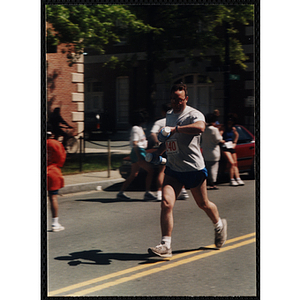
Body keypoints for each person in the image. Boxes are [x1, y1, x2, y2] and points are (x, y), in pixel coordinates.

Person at [148, 83, 227, 258]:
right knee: (166, 203)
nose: (176, 103)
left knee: (203, 204)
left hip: (193, 169)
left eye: (180, 99)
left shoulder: (193, 114)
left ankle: (219, 225)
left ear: (186, 99)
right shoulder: (169, 115)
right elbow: (170, 140)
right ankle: (165, 245)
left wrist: (175, 128)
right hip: (174, 169)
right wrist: (158, 152)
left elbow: (200, 128)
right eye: (173, 100)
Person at [149, 103, 189, 201]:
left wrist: (158, 142)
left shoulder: (160, 122)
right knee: (180, 168)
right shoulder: (176, 120)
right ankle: (183, 190)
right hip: (176, 147)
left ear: (163, 112)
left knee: (162, 170)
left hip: (166, 147)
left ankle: (159, 192)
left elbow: (152, 134)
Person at [117, 109, 157, 201]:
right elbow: (135, 143)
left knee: (133, 174)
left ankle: (121, 192)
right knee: (150, 170)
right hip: (138, 151)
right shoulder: (136, 129)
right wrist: (139, 157)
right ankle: (147, 192)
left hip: (138, 151)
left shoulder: (138, 128)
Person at [47, 124, 67, 232]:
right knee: (53, 197)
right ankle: (55, 223)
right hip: (52, 171)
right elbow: (61, 159)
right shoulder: (55, 144)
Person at [219, 113, 244, 186]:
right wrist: (222, 140)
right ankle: (231, 179)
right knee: (231, 162)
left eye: (231, 120)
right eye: (229, 120)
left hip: (231, 145)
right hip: (225, 146)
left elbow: (236, 135)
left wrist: (235, 143)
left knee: (235, 163)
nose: (230, 121)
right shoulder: (223, 127)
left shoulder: (233, 128)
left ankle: (238, 178)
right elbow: (219, 135)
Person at [201, 113, 225, 190]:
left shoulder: (204, 129)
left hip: (205, 150)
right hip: (214, 151)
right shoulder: (214, 129)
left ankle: (205, 182)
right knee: (214, 168)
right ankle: (213, 183)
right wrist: (221, 133)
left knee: (207, 167)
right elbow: (218, 139)